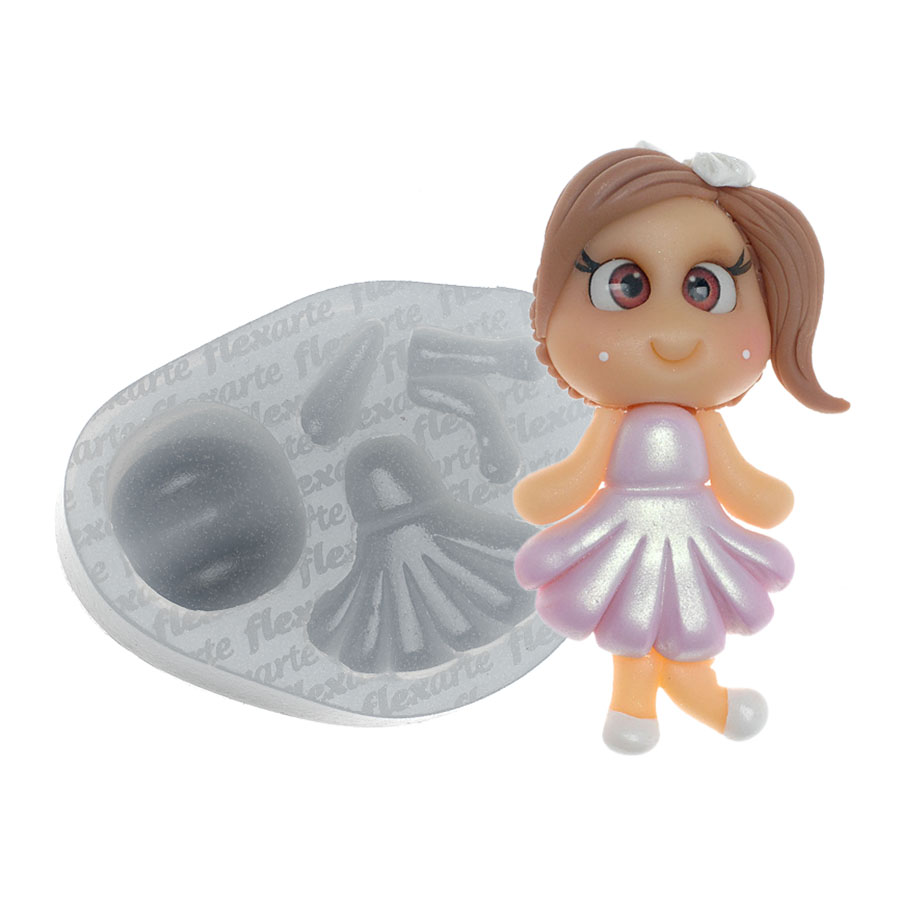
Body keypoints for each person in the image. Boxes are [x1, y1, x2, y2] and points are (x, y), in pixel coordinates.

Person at [513, 147, 848, 753]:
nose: (671, 333)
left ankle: (652, 705)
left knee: (673, 620)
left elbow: (742, 487)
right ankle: (675, 702)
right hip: (620, 527)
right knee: (631, 618)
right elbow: (580, 475)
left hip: (696, 530)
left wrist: (760, 495)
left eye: (704, 288)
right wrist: (550, 492)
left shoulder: (700, 423)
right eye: (627, 285)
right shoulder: (614, 418)